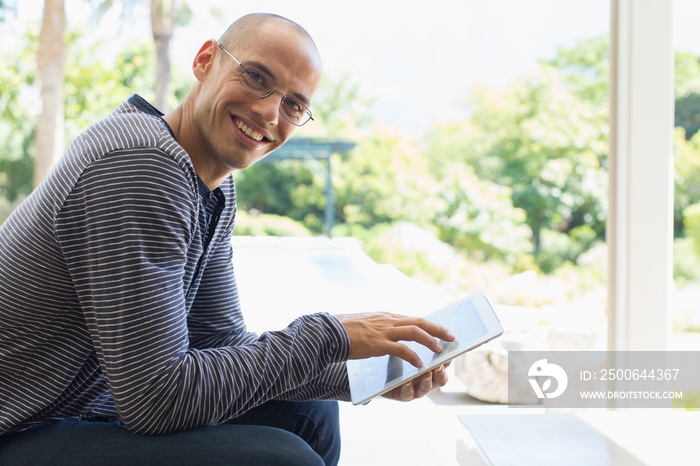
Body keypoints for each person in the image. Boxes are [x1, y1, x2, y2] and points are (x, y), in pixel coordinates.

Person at [0, 12, 454, 465]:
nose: (268, 112)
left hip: (79, 410)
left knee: (310, 416)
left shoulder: (212, 185)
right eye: (256, 77)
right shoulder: (140, 165)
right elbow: (156, 401)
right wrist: (330, 336)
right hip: (20, 425)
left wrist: (364, 375)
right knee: (283, 458)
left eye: (293, 105)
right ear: (205, 61)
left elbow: (221, 342)